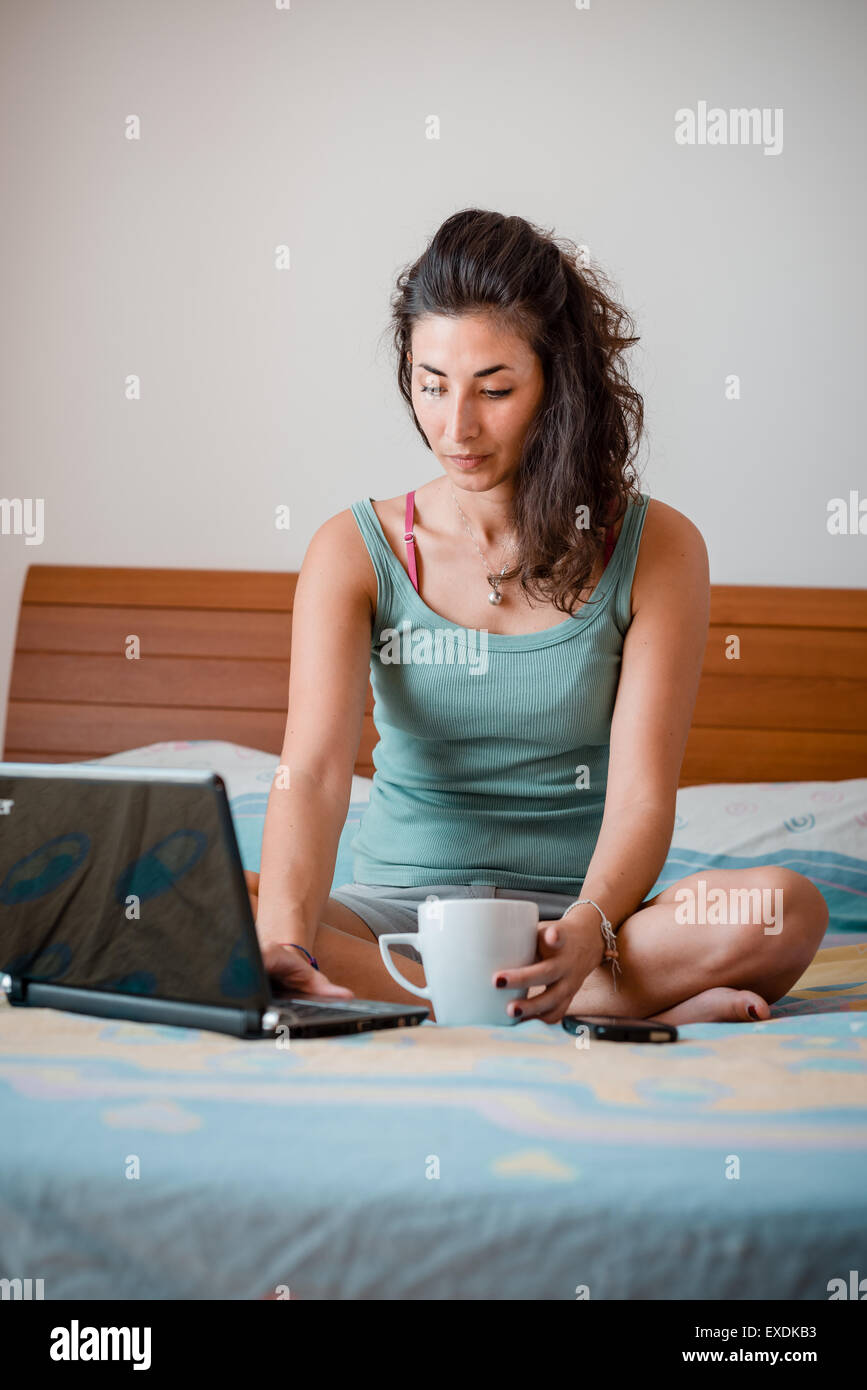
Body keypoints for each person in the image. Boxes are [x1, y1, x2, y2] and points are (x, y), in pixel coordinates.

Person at [248, 208, 828, 1026]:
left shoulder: (656, 548)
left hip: (578, 923)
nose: (455, 427)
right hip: (392, 920)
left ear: (555, 382)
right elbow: (307, 774)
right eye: (429, 384)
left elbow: (638, 798)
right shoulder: (354, 549)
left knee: (782, 908)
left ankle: (512, 996)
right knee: (203, 908)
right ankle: (597, 1010)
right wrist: (286, 949)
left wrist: (590, 928)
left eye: (493, 389)